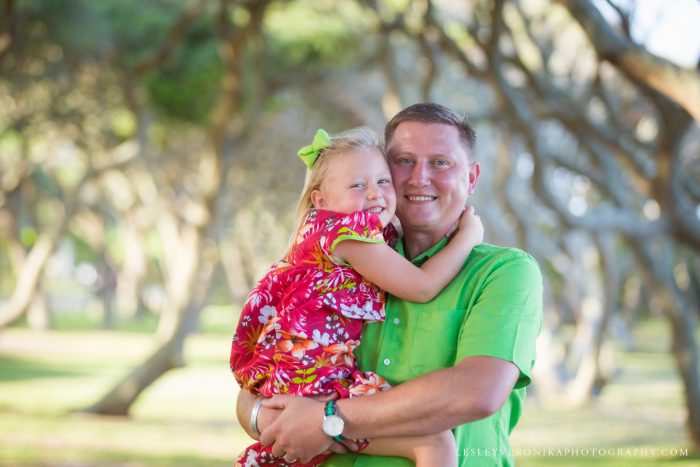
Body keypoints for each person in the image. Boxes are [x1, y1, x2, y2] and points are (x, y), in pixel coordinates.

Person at [237, 103, 543, 466]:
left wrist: (327, 419)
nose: (419, 178)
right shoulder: (340, 268)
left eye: (440, 162)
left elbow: (478, 392)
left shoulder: (505, 271)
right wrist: (268, 419)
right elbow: (253, 393)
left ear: (472, 178)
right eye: (404, 161)